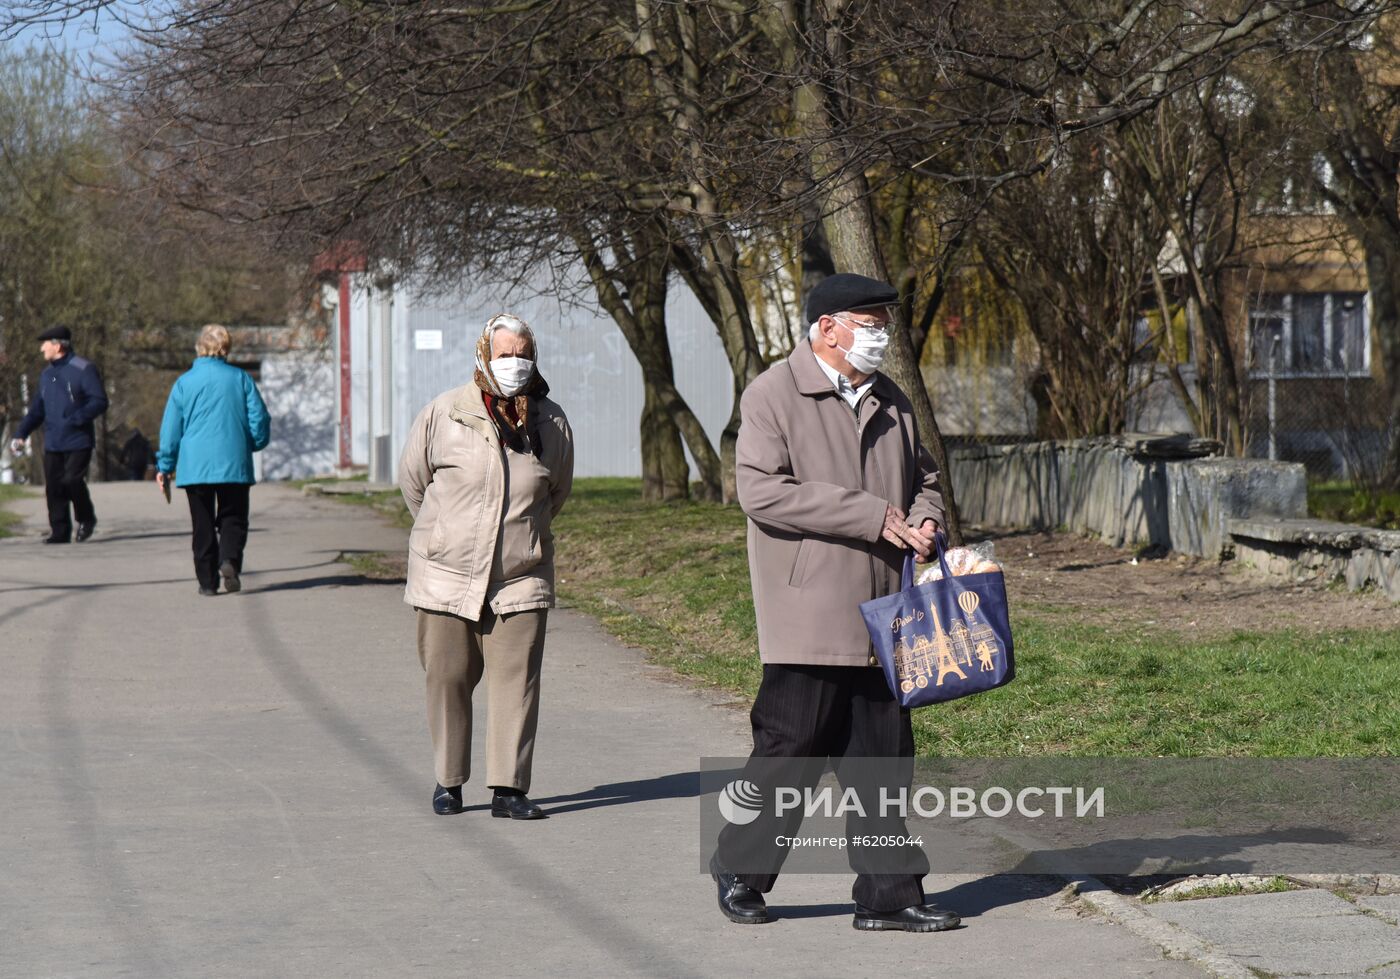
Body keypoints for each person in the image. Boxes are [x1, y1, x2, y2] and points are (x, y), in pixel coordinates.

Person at [711, 273, 961, 933]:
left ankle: (888, 894)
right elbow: (760, 492)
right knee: (791, 747)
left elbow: (927, 477)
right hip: (808, 612)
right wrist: (871, 515)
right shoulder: (771, 394)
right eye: (871, 321)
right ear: (828, 327)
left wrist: (925, 518)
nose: (883, 334)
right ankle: (740, 868)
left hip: (885, 612)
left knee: (882, 759)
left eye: (885, 322)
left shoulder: (893, 400)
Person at [399, 313, 574, 820]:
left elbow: (556, 490)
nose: (514, 363)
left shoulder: (550, 420)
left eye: (523, 353)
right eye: (504, 354)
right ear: (483, 354)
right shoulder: (445, 411)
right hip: (445, 575)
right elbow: (414, 484)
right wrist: (446, 534)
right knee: (447, 677)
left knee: (516, 683)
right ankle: (449, 781)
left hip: (520, 576)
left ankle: (509, 789)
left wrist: (523, 537)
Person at [155, 324, 271, 596]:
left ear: (199, 348)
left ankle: (207, 582)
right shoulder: (241, 379)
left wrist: (165, 465)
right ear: (226, 349)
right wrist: (252, 444)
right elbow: (260, 418)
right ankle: (228, 559)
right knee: (234, 517)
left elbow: (171, 429)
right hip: (233, 462)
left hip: (194, 465)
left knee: (202, 523)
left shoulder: (184, 383)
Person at [9, 325, 109, 544]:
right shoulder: (48, 375)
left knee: (72, 480)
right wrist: (21, 434)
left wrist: (77, 419)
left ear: (57, 345)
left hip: (78, 439)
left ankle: (86, 518)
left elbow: (99, 401)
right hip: (54, 441)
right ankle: (60, 531)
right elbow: (37, 410)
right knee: (54, 487)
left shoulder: (83, 368)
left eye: (45, 344)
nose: (41, 349)